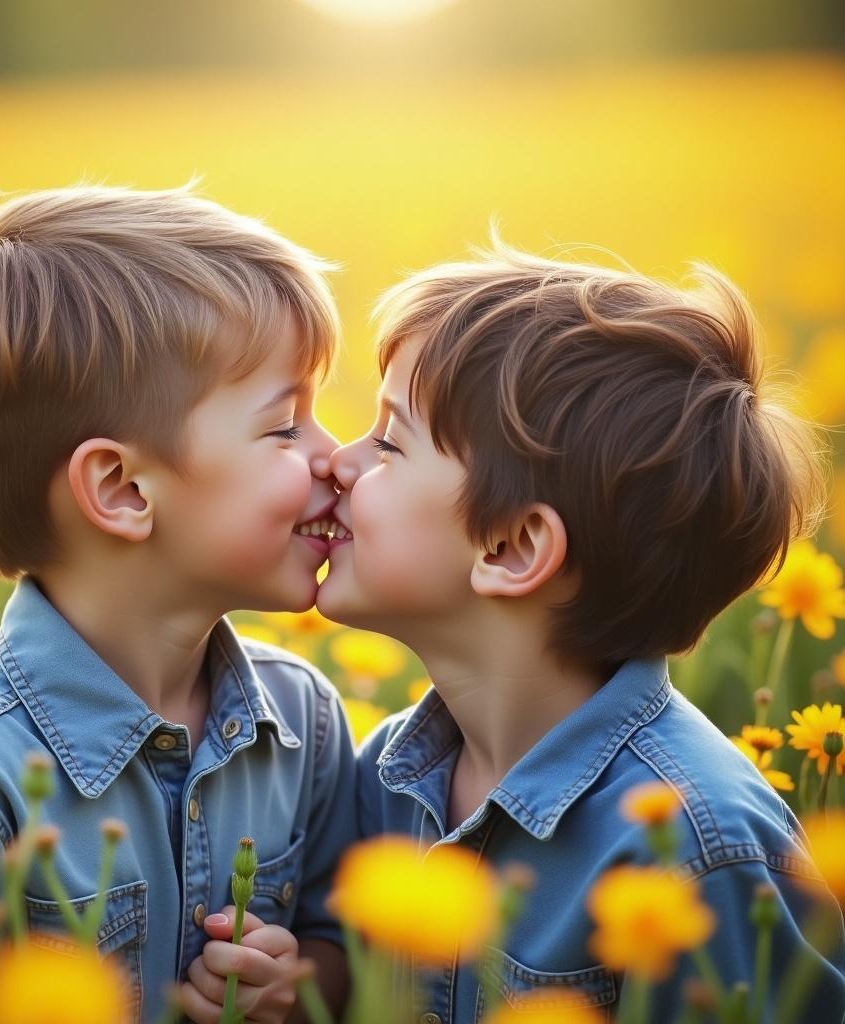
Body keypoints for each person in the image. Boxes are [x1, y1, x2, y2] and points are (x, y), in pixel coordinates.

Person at [0, 182, 356, 1023]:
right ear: (121, 489)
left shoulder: (304, 721)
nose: (339, 458)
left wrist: (300, 983)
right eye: (286, 426)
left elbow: (344, 948)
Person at [317, 239, 845, 1022]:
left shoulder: (699, 851)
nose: (337, 460)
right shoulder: (381, 778)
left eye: (389, 442)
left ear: (513, 548)